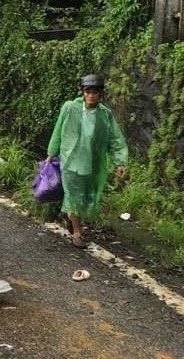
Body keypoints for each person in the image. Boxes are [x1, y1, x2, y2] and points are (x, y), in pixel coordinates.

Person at [47, 74, 129, 248]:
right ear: (83, 93)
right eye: (88, 91)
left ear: (100, 94)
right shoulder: (70, 108)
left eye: (95, 92)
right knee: (73, 195)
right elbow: (58, 129)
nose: (91, 95)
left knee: (86, 198)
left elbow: (115, 139)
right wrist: (51, 152)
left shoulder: (105, 115)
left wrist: (120, 162)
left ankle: (71, 217)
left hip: (93, 164)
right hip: (71, 163)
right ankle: (77, 232)